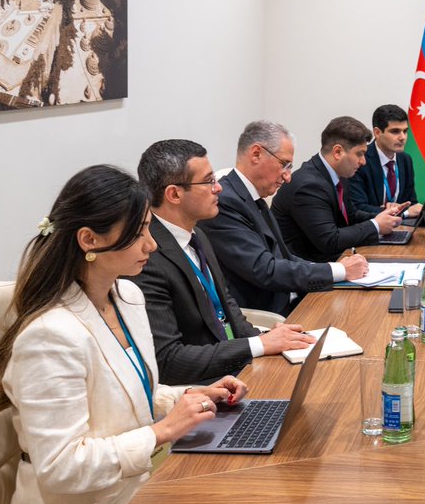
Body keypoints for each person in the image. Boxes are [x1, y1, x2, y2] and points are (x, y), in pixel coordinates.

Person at [0, 164, 288, 504]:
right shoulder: (50, 336)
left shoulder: (126, 295)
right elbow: (62, 468)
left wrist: (193, 395)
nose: (151, 244)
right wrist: (163, 430)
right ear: (90, 240)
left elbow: (133, 391)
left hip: (130, 496)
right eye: (140, 232)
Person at [129, 139, 314, 384]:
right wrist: (257, 344)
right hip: (200, 388)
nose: (218, 189)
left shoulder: (198, 235)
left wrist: (263, 339)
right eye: (209, 181)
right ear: (174, 194)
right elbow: (170, 360)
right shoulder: (147, 258)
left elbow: (226, 304)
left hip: (232, 366)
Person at [197, 120, 370, 316]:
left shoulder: (253, 197)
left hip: (289, 300)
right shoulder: (226, 202)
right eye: (284, 165)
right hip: (268, 316)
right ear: (256, 154)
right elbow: (266, 270)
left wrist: (336, 270)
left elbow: (285, 257)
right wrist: (338, 270)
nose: (288, 177)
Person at [272, 116, 402, 262]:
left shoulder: (339, 175)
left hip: (335, 260)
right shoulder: (308, 186)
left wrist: (384, 215)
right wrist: (376, 225)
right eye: (359, 154)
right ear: (338, 152)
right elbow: (330, 241)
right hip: (307, 271)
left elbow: (351, 216)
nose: (363, 162)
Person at [349, 103, 423, 218]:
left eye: (405, 131)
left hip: (402, 227)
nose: (403, 137)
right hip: (370, 228)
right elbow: (358, 206)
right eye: (395, 131)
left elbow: (410, 202)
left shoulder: (405, 159)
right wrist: (403, 213)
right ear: (377, 133)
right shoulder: (360, 160)